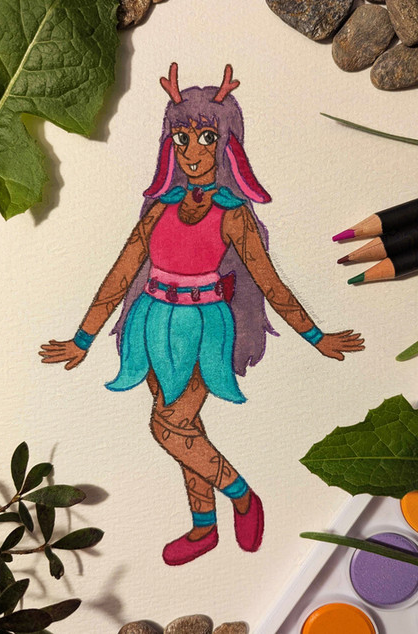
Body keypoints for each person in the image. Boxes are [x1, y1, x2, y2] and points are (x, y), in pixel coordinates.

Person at [40, 63, 364, 566]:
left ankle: (241, 494)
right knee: (187, 430)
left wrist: (317, 337)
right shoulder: (159, 208)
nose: (192, 152)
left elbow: (270, 282)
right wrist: (82, 339)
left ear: (227, 144)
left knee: (168, 427)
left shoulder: (233, 214)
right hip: (150, 322)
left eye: (207, 137)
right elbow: (122, 272)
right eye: (181, 138)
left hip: (203, 327)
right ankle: (203, 527)